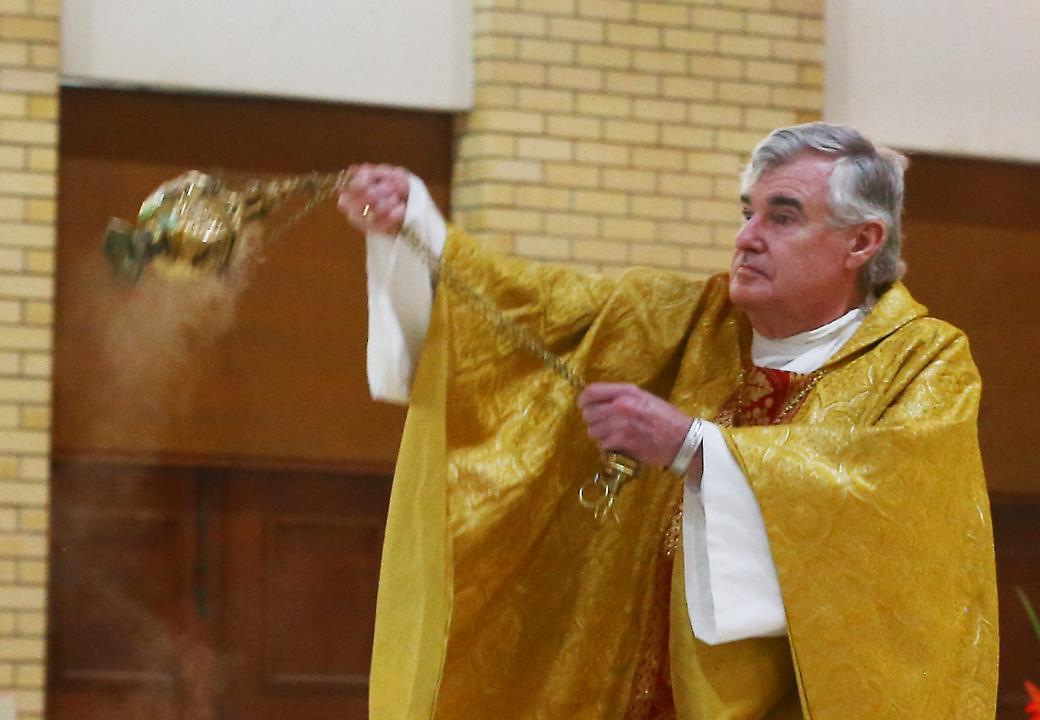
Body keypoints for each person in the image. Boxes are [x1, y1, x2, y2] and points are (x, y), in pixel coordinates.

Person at [338, 122, 998, 719]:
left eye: (783, 216)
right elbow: (522, 309)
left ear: (862, 241)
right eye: (747, 212)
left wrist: (693, 447)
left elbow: (892, 515)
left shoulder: (924, 359)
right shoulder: (678, 318)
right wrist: (414, 228)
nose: (747, 237)